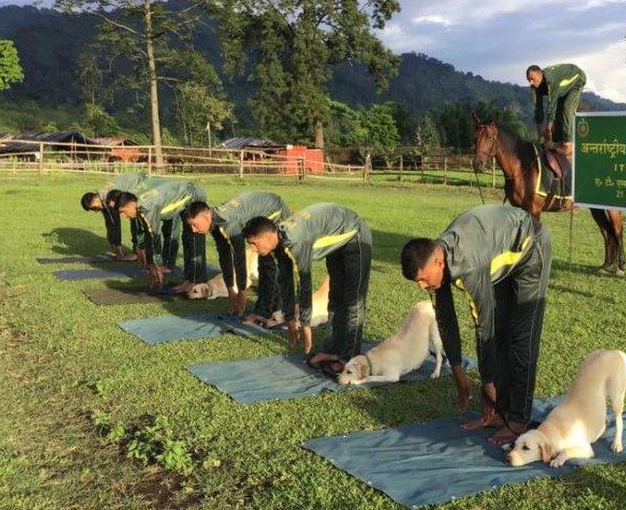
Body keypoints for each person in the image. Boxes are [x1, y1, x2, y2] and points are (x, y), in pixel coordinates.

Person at [400, 205, 552, 445]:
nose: (422, 286)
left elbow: (483, 327)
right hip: (495, 252)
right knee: (500, 334)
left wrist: (487, 383)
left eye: (422, 279)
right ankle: (500, 413)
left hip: (531, 246)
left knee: (521, 339)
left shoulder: (469, 266)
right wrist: (459, 374)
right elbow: (445, 319)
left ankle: (518, 422)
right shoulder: (439, 258)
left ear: (439, 263)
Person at [242, 203, 371, 376]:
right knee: (335, 298)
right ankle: (332, 350)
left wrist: (305, 327)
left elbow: (304, 285)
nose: (253, 249)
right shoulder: (279, 243)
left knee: (353, 301)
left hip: (355, 235)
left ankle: (349, 359)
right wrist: (289, 318)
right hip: (336, 243)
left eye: (254, 243)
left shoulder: (296, 241)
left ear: (269, 235)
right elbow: (285, 281)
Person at [182, 192, 292, 317]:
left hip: (275, 211)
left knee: (267, 261)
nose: (193, 230)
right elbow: (225, 256)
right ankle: (264, 309)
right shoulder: (216, 223)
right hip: (258, 213)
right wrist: (230, 291)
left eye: (195, 225)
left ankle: (269, 312)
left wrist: (242, 291)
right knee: (263, 262)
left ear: (207, 217)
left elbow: (239, 257)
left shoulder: (228, 222)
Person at [117, 181, 208, 292]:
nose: (123, 216)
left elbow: (154, 237)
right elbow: (148, 236)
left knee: (194, 239)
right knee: (187, 239)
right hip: (185, 196)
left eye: (124, 211)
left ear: (131, 204)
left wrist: (156, 266)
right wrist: (153, 265)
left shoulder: (147, 207)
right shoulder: (140, 205)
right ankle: (188, 280)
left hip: (193, 196)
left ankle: (195, 282)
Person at [80, 173, 154, 259]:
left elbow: (116, 223)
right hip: (135, 187)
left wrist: (118, 249)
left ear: (94, 202)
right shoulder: (103, 199)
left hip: (143, 184)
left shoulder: (109, 198)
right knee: (133, 219)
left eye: (94, 209)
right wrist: (113, 244)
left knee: (136, 219)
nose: (95, 211)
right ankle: (138, 251)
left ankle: (138, 253)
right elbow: (109, 224)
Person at [526, 63, 586, 156]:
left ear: (539, 74)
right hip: (562, 89)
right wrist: (539, 132)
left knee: (566, 108)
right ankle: (557, 141)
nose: (531, 82)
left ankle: (568, 143)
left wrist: (548, 129)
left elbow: (552, 105)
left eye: (532, 79)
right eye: (529, 80)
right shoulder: (537, 87)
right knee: (558, 111)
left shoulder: (551, 80)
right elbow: (539, 107)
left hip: (577, 79)